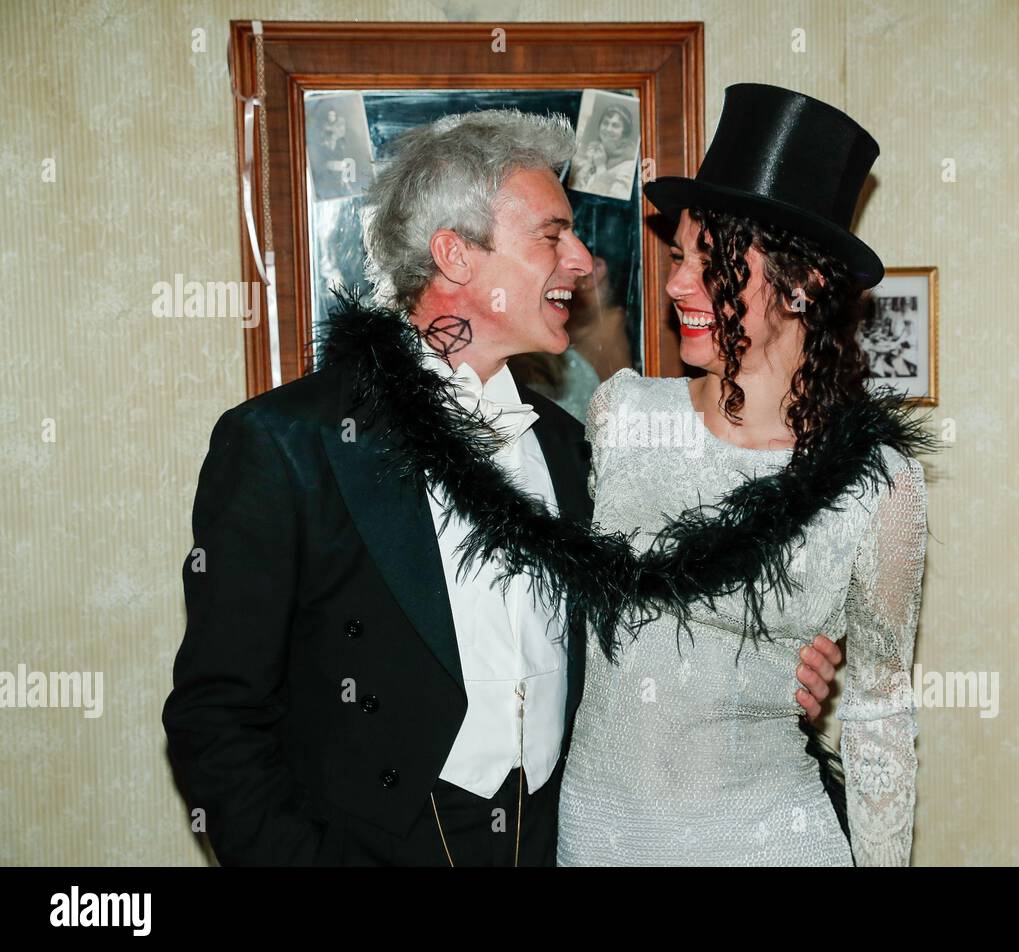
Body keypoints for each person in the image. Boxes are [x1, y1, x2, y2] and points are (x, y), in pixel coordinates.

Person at [161, 106, 840, 866]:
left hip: (555, 841)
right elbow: (216, 719)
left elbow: (647, 626)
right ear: (454, 255)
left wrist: (772, 663)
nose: (582, 261)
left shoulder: (570, 445)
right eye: (553, 234)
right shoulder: (289, 445)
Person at [557, 84, 939, 866]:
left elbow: (878, 714)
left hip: (772, 840)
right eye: (677, 257)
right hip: (597, 836)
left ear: (805, 285)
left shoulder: (877, 484)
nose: (676, 286)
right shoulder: (622, 416)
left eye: (716, 262)